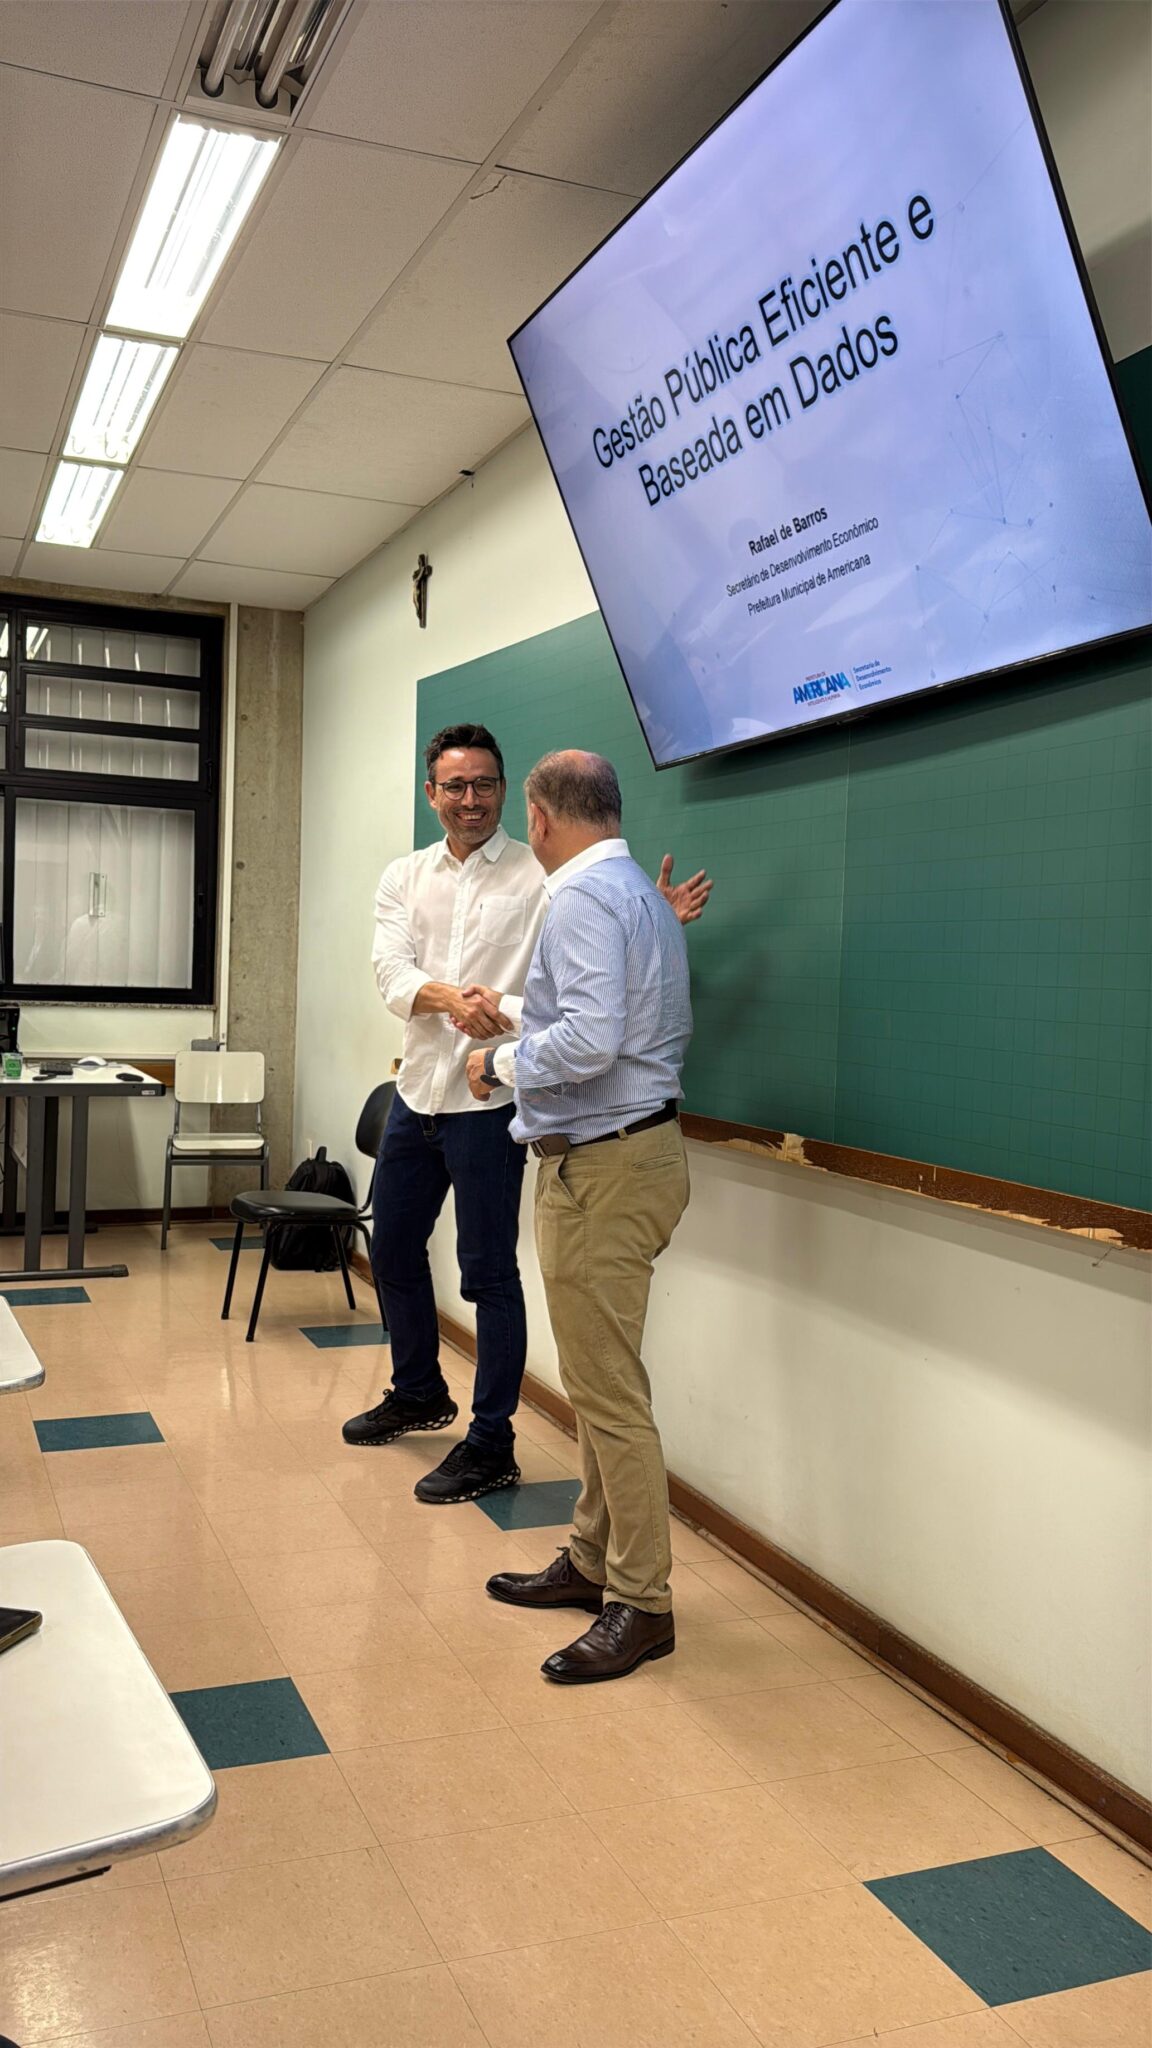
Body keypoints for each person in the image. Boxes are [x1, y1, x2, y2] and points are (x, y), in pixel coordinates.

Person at [343, 723, 709, 1505]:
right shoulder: (405, 876)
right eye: (455, 786)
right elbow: (391, 974)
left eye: (485, 784)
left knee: (488, 1272)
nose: (471, 799)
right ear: (431, 794)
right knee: (394, 1248)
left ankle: (491, 1441)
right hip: (421, 1089)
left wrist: (652, 921)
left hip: (496, 1100)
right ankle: (417, 1390)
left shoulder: (546, 875)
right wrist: (455, 1000)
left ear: (513, 796)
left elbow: (589, 970)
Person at [466, 750, 692, 1683]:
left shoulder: (581, 898)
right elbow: (608, 1020)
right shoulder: (638, 893)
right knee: (601, 1381)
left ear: (543, 818)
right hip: (629, 1157)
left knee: (609, 1395)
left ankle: (642, 1602)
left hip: (602, 1169)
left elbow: (592, 1040)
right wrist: (520, 1018)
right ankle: (593, 1559)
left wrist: (499, 1063)